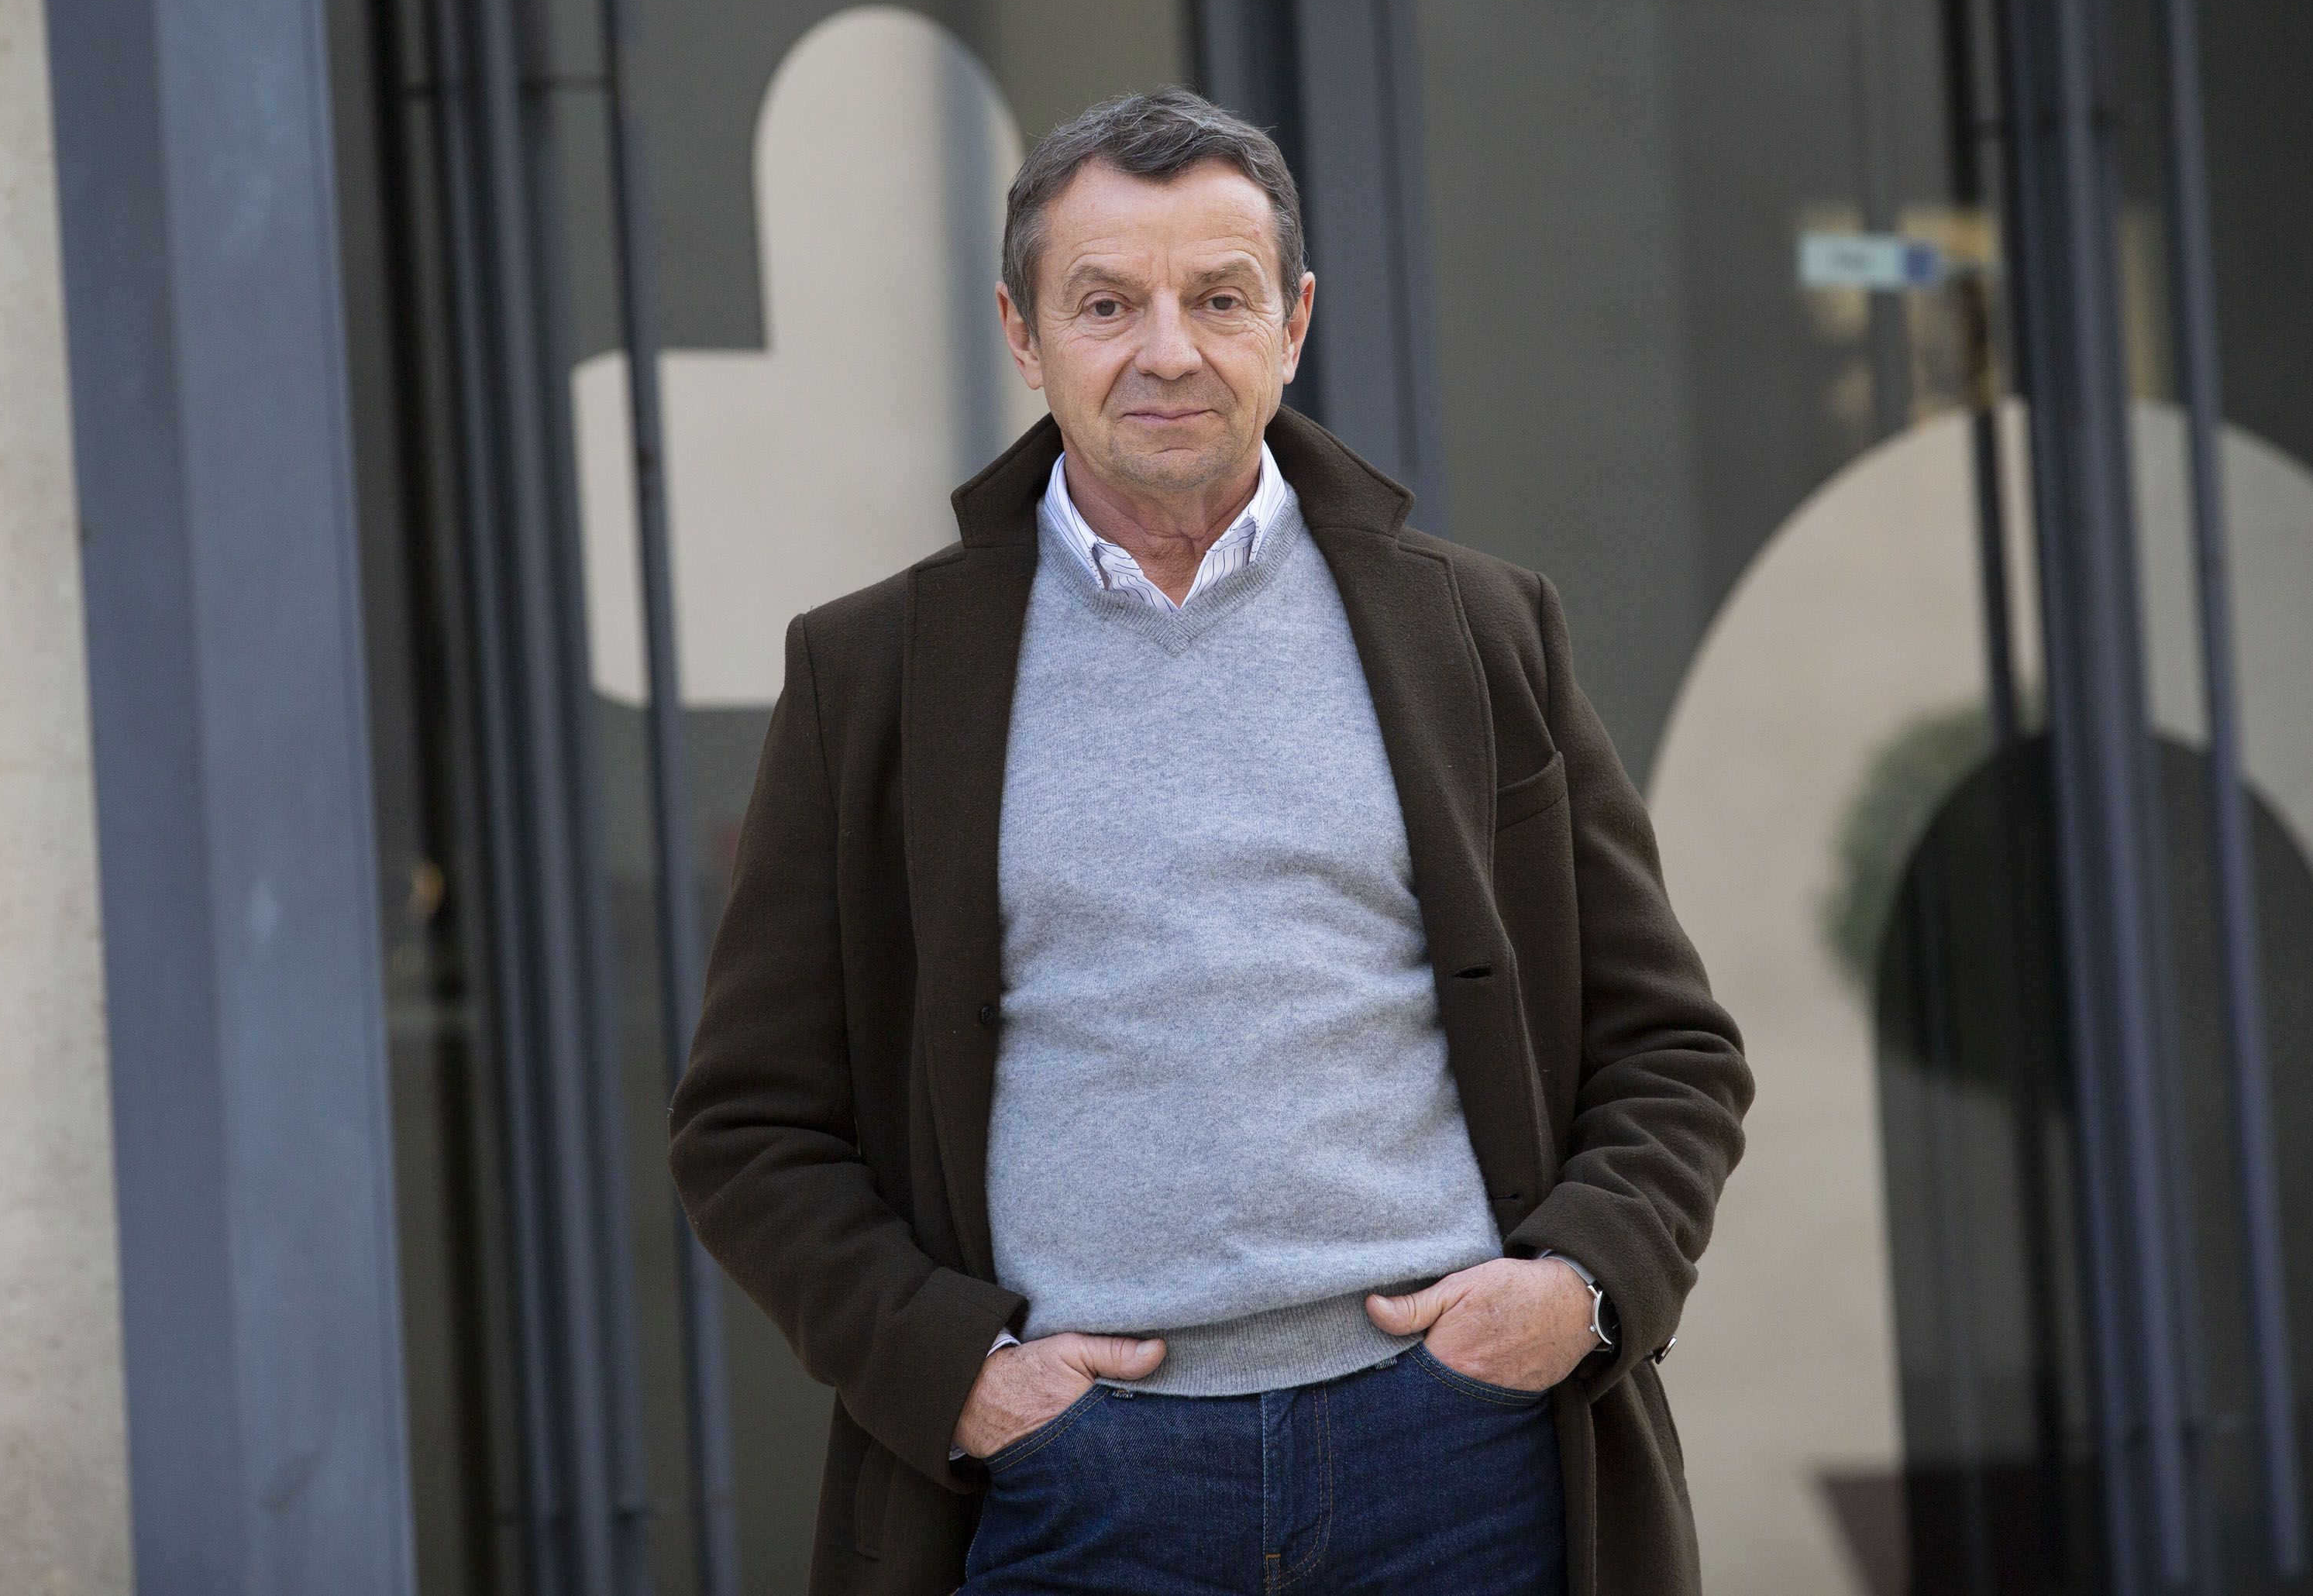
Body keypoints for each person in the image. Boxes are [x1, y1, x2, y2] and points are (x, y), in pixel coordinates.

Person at [669, 88, 1750, 1596]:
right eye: (1105, 301)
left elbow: (1667, 1047)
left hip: (1459, 1462)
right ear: (1021, 330)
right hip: (1075, 1480)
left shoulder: (1478, 629)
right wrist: (955, 1371)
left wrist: (1573, 1289)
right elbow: (749, 1127)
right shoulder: (879, 673)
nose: (1166, 347)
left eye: (1216, 296)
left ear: (1291, 321)